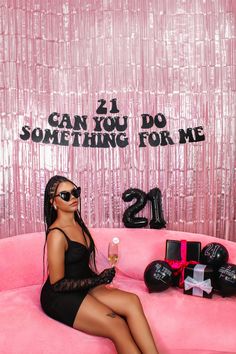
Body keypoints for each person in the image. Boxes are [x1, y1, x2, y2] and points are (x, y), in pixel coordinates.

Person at [40, 175, 159, 354]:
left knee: (132, 302)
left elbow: (78, 266)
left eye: (75, 192)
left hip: (83, 283)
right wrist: (97, 281)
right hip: (60, 295)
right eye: (65, 195)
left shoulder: (78, 224)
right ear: (53, 202)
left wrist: (99, 278)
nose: (73, 198)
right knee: (117, 325)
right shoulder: (56, 235)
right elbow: (58, 284)